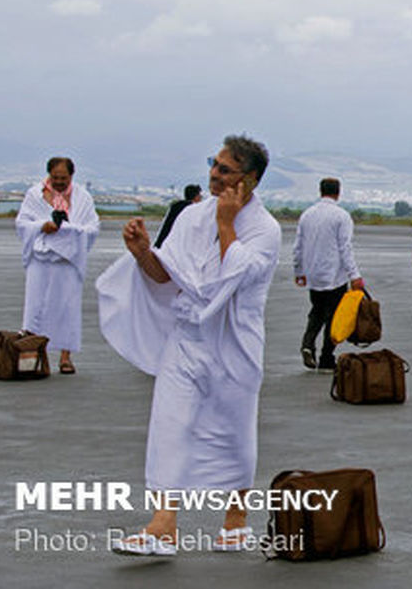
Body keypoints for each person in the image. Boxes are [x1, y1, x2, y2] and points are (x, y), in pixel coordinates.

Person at [98, 135, 281, 556]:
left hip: (234, 343)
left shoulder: (265, 230)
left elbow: (234, 276)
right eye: (213, 165)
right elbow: (168, 275)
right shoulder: (190, 216)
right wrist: (143, 253)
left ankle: (235, 520)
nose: (214, 175)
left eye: (225, 170)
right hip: (187, 338)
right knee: (169, 423)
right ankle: (163, 525)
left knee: (233, 433)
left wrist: (226, 223)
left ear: (249, 180)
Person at [15, 156, 99, 375]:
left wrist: (72, 230)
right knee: (35, 307)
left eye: (63, 178)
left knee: (67, 309)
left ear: (71, 176)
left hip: (67, 262)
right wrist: (43, 225)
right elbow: (22, 223)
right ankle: (34, 355)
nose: (59, 182)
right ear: (48, 175)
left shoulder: (83, 197)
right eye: (55, 178)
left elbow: (93, 227)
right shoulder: (35, 195)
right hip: (41, 260)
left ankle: (65, 356)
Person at [293, 178, 363, 371]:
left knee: (316, 311)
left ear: (320, 191)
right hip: (334, 275)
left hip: (313, 273)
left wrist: (299, 271)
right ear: (338, 192)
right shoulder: (341, 216)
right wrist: (354, 275)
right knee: (333, 316)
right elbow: (345, 248)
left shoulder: (307, 215)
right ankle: (326, 357)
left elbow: (298, 246)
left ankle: (308, 344)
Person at [154, 184, 202, 249]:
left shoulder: (175, 206)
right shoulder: (192, 209)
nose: (201, 198)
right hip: (175, 247)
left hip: (163, 245)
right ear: (196, 197)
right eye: (200, 196)